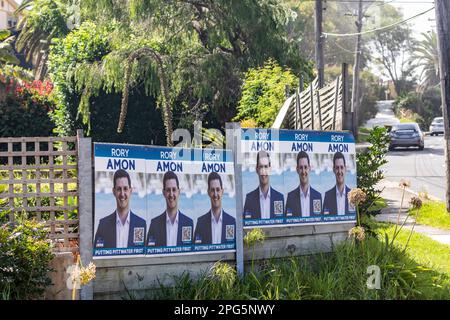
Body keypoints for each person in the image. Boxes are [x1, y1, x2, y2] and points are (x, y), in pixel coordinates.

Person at [94, 169, 146, 249]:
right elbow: (97, 253)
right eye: (119, 189)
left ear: (130, 191)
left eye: (125, 189)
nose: (122, 194)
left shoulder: (141, 224)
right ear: (114, 191)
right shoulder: (103, 225)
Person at [147, 171, 193, 247]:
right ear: (163, 193)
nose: (171, 194)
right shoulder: (154, 224)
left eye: (174, 190)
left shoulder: (188, 223)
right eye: (168, 190)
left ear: (179, 192)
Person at [194, 172, 236, 245]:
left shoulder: (231, 222)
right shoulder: (201, 223)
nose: (215, 194)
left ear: (222, 191)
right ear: (208, 192)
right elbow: (197, 251)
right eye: (212, 190)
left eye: (218, 190)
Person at [243, 150, 284, 219]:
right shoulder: (249, 198)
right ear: (257, 169)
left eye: (266, 167)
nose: (263, 171)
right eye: (261, 167)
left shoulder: (279, 198)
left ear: (270, 169)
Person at [285, 151, 322, 217]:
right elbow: (288, 225)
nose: (303, 171)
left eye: (305, 167)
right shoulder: (290, 197)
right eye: (301, 168)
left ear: (309, 168)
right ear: (297, 170)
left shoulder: (317, 196)